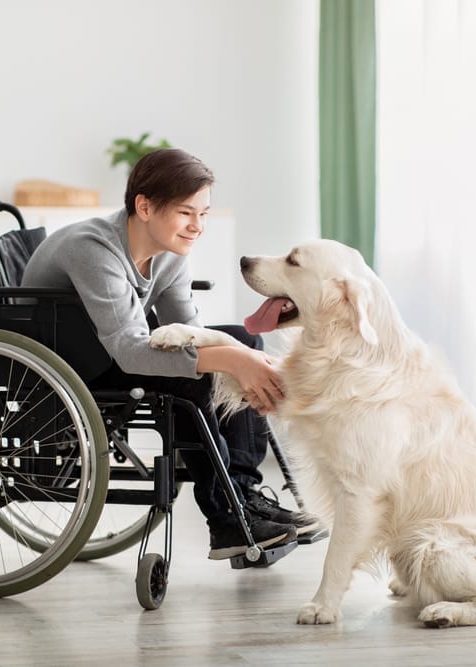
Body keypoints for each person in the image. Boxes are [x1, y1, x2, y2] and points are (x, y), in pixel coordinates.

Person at [21, 148, 316, 559]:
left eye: (204, 214)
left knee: (243, 340)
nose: (197, 226)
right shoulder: (93, 249)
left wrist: (237, 352)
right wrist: (231, 361)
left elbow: (190, 335)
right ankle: (226, 517)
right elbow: (130, 351)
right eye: (185, 213)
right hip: (69, 365)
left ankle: (244, 495)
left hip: (111, 353)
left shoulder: (170, 255)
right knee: (186, 376)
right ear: (144, 206)